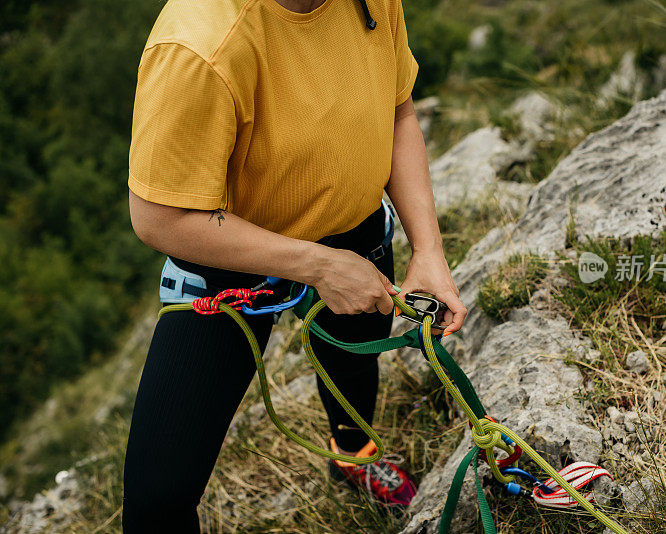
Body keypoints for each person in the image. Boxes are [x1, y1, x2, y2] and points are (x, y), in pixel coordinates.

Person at [123, 0, 467, 530]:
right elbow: (159, 217)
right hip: (228, 266)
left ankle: (352, 455)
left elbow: (398, 111)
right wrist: (318, 266)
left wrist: (429, 251)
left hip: (355, 229)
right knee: (158, 497)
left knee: (353, 368)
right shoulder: (200, 43)